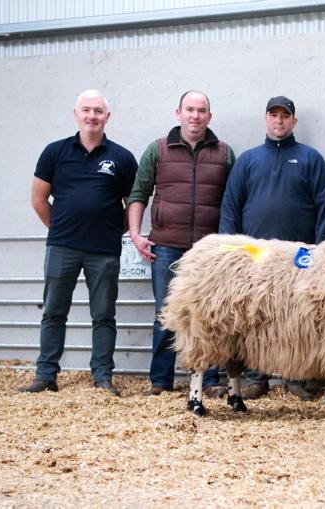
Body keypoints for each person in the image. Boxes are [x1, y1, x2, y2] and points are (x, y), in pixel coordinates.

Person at [17, 90, 137, 396]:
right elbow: (38, 199)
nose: (91, 116)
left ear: (107, 117)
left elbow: (133, 204)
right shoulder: (54, 152)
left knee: (104, 315)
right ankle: (46, 375)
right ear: (76, 114)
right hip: (62, 247)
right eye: (86, 110)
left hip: (104, 251)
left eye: (98, 111)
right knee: (54, 312)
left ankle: (102, 377)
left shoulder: (122, 158)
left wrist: (113, 230)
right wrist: (60, 228)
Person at [219, 95, 325, 400]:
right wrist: (231, 253)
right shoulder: (248, 160)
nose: (279, 120)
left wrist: (320, 253)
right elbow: (230, 206)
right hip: (255, 257)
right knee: (254, 315)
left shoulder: (310, 158)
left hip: (299, 258)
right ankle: (256, 378)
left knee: (295, 317)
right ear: (265, 119)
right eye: (274, 115)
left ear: (293, 121)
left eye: (285, 115)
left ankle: (295, 377)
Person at [127, 90, 235, 398]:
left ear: (209, 116)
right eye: (189, 109)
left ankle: (210, 380)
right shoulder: (158, 150)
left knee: (211, 313)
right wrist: (135, 234)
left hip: (209, 252)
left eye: (201, 110)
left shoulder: (224, 153)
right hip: (166, 246)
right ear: (178, 113)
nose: (195, 116)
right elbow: (138, 194)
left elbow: (233, 200)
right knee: (166, 312)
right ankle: (160, 380)